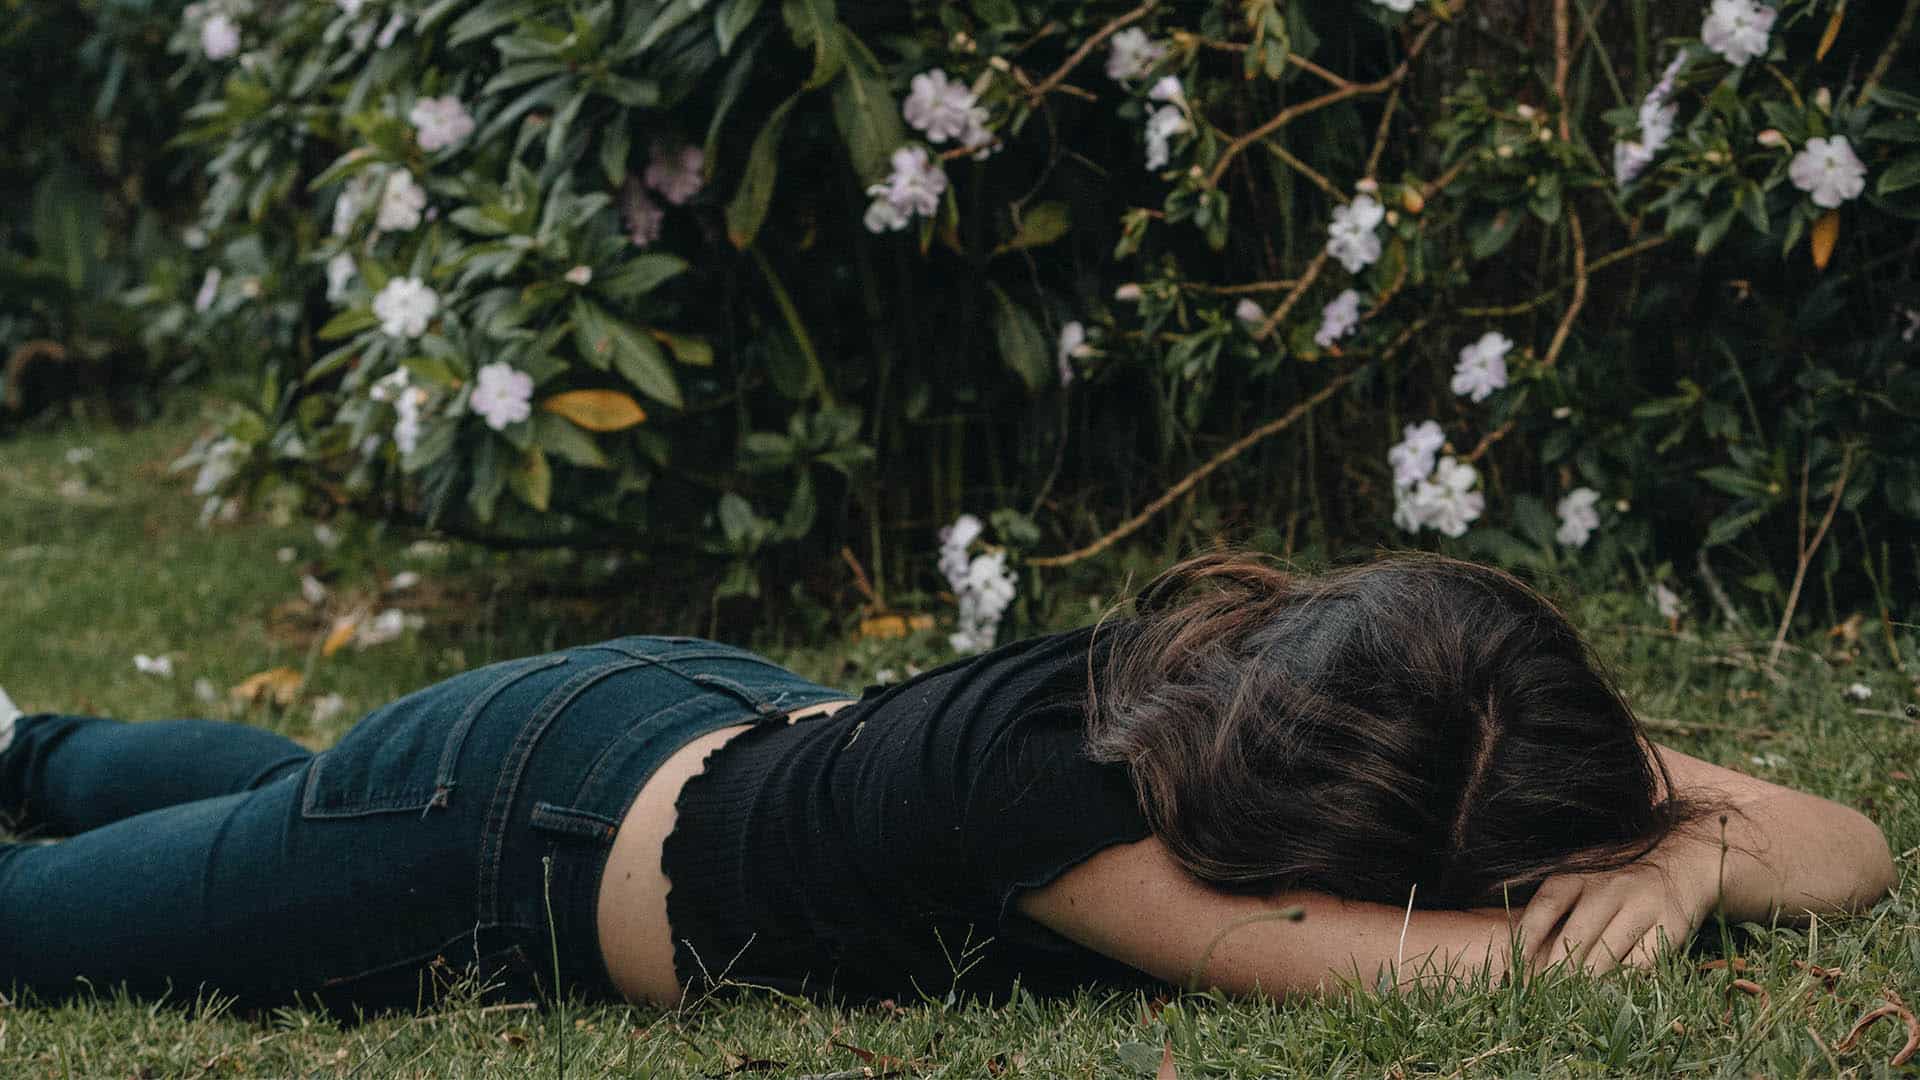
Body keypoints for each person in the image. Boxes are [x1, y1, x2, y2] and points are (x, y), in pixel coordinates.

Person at [0, 552, 1895, 1015]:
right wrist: (1663, 871)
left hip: (682, 713)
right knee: (78, 926)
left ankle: (26, 745)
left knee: (283, 802)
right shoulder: (1061, 827)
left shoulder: (1370, 685)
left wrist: (1700, 851)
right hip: (496, 831)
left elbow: (1860, 847)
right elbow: (1476, 972)